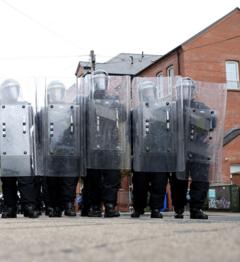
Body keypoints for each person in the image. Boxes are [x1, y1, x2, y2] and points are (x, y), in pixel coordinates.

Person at [170, 78, 225, 219]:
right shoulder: (171, 108)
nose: (185, 92)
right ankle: (179, 208)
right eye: (182, 89)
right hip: (179, 150)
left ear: (193, 91)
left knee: (200, 179)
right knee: (178, 181)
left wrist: (193, 118)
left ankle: (196, 208)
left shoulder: (201, 107)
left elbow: (212, 122)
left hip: (199, 150)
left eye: (187, 89)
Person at [0, 79, 39, 218]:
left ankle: (29, 206)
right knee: (8, 182)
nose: (11, 93)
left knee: (26, 181)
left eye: (14, 89)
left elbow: (31, 124)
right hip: (5, 150)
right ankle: (10, 207)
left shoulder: (26, 107)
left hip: (23, 149)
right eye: (8, 90)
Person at [85, 71, 130, 218]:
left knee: (112, 178)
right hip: (92, 148)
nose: (100, 83)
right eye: (97, 80)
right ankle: (95, 206)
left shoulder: (113, 101)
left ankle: (110, 206)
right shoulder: (86, 101)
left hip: (110, 145)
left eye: (103, 80)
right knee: (94, 180)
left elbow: (123, 117)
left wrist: (119, 104)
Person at [130, 78, 177, 218]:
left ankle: (156, 209)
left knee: (159, 183)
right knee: (139, 184)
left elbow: (170, 131)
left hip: (160, 153)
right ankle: (138, 208)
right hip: (142, 154)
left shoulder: (164, 109)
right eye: (145, 91)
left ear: (155, 92)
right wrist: (132, 150)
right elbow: (130, 132)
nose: (147, 94)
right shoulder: (136, 111)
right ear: (140, 94)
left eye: (150, 91)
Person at [35, 80, 82, 217]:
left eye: (59, 91)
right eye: (53, 91)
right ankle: (53, 205)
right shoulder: (43, 112)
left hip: (68, 151)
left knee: (68, 179)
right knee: (51, 181)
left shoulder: (71, 110)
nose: (56, 94)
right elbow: (38, 135)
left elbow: (76, 130)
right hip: (49, 152)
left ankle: (68, 204)